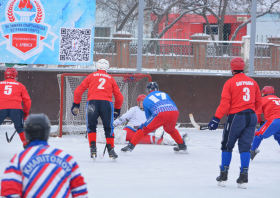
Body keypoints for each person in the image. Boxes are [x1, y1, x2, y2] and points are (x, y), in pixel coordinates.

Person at [0, 114, 88, 198]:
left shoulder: (18, 160)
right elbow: (81, 192)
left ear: (26, 133)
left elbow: (10, 193)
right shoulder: (66, 158)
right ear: (47, 132)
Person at [207, 57, 262, 188]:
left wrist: (216, 118)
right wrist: (255, 114)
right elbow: (259, 102)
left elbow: (225, 103)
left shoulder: (230, 83)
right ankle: (244, 176)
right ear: (244, 68)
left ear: (232, 69)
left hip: (236, 117)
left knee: (227, 145)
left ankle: (223, 175)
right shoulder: (253, 82)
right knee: (245, 147)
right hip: (251, 116)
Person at [72, 59, 124, 161]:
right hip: (107, 104)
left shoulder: (91, 76)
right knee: (108, 127)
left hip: (92, 103)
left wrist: (76, 104)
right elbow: (119, 97)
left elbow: (78, 91)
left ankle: (93, 149)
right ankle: (111, 150)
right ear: (107, 68)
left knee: (91, 126)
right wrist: (117, 109)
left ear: (97, 67)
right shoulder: (110, 78)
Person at [121, 82, 187, 153]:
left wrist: (153, 125)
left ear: (148, 90)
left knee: (143, 128)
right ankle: (181, 145)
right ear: (158, 89)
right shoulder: (165, 94)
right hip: (174, 111)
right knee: (170, 130)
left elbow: (148, 117)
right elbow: (173, 105)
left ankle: (130, 146)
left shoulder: (146, 99)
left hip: (160, 112)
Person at [114, 94, 189, 145]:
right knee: (154, 138)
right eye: (141, 101)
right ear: (138, 102)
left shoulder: (150, 110)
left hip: (144, 131)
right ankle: (174, 141)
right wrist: (114, 124)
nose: (143, 103)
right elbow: (123, 118)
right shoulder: (134, 109)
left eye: (144, 101)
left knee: (159, 134)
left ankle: (179, 139)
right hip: (132, 130)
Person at [0, 67, 31, 148]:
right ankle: (26, 144)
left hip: (1, 108)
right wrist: (25, 112)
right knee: (20, 127)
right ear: (16, 75)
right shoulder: (20, 85)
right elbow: (27, 101)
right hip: (16, 109)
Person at [250, 86, 280, 160]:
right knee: (278, 136)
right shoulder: (278, 98)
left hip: (274, 120)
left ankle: (252, 151)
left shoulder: (263, 99)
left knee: (258, 134)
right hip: (276, 119)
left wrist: (259, 121)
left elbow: (257, 113)